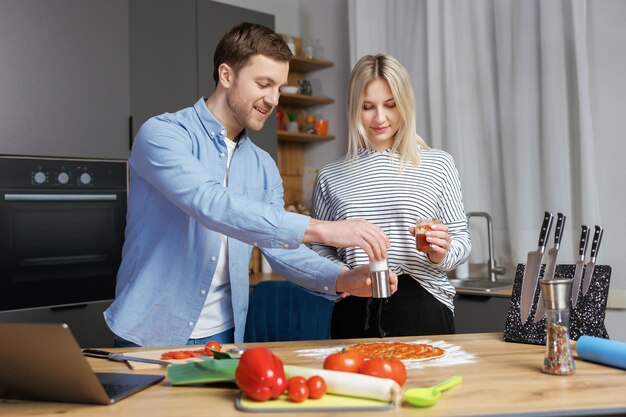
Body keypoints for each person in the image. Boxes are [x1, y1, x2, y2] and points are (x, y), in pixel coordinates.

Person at [104, 23, 397, 347]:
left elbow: (277, 246)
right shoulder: (163, 134)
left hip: (224, 337)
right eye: (263, 84)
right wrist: (322, 228)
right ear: (226, 75)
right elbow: (210, 203)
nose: (273, 99)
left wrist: (342, 279)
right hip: (148, 332)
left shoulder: (262, 166)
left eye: (279, 88)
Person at [311, 54, 471, 339]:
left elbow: (460, 239)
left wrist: (440, 253)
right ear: (353, 108)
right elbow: (319, 249)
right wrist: (344, 277)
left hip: (422, 302)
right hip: (354, 306)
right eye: (367, 107)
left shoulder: (437, 164)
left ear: (405, 104)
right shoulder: (329, 175)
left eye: (390, 105)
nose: (380, 118)